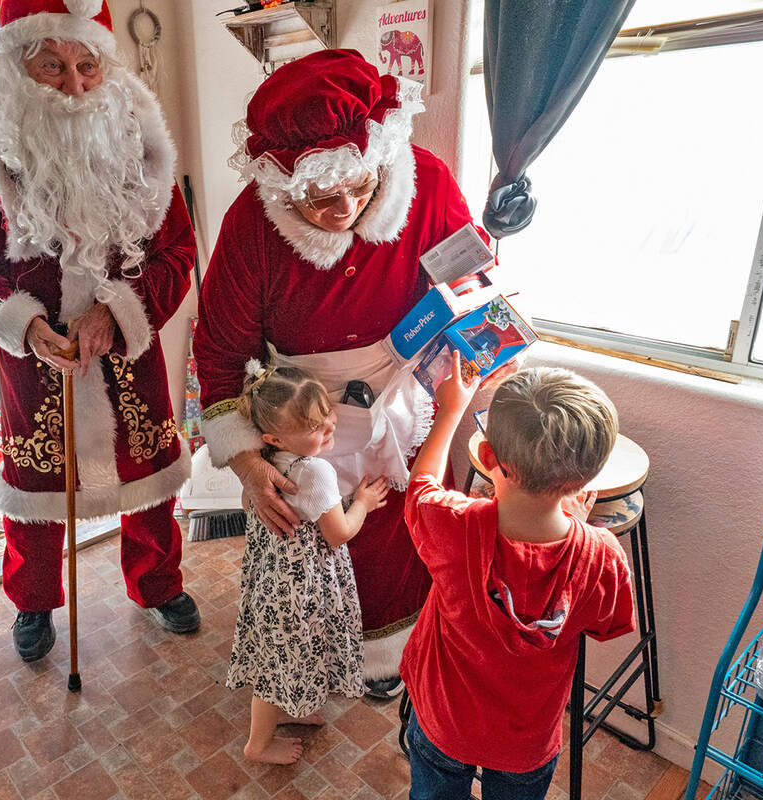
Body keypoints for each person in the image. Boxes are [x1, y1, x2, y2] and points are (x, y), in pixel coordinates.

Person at [194, 48, 488, 697]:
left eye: (362, 185)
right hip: (302, 416)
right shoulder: (251, 224)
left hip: (405, 397)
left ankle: (391, 660)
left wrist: (481, 323)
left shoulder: (428, 183)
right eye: (322, 196)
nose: (346, 208)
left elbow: (469, 281)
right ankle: (316, 662)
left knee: (399, 535)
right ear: (281, 180)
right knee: (314, 549)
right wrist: (245, 463)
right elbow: (217, 355)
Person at [0, 0, 199, 662]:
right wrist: (22, 325)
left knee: (148, 465)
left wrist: (118, 311)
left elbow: (176, 251)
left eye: (88, 64)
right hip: (34, 354)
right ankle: (31, 599)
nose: (76, 85)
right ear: (15, 63)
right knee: (33, 484)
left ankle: (157, 583)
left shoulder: (138, 129)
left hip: (124, 342)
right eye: (52, 65)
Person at [401, 362, 636, 800]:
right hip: (527, 741)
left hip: (444, 720)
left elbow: (421, 487)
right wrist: (578, 528)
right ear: (586, 481)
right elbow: (605, 625)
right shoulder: (601, 555)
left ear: (487, 457)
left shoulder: (452, 524)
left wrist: (452, 409)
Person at [225, 362, 388, 764]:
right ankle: (257, 744)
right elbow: (338, 532)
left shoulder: (264, 463)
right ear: (275, 436)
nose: (330, 428)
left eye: (326, 416)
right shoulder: (315, 471)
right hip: (300, 590)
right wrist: (363, 504)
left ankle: (290, 707)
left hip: (272, 581)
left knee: (288, 655)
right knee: (279, 662)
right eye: (316, 427)